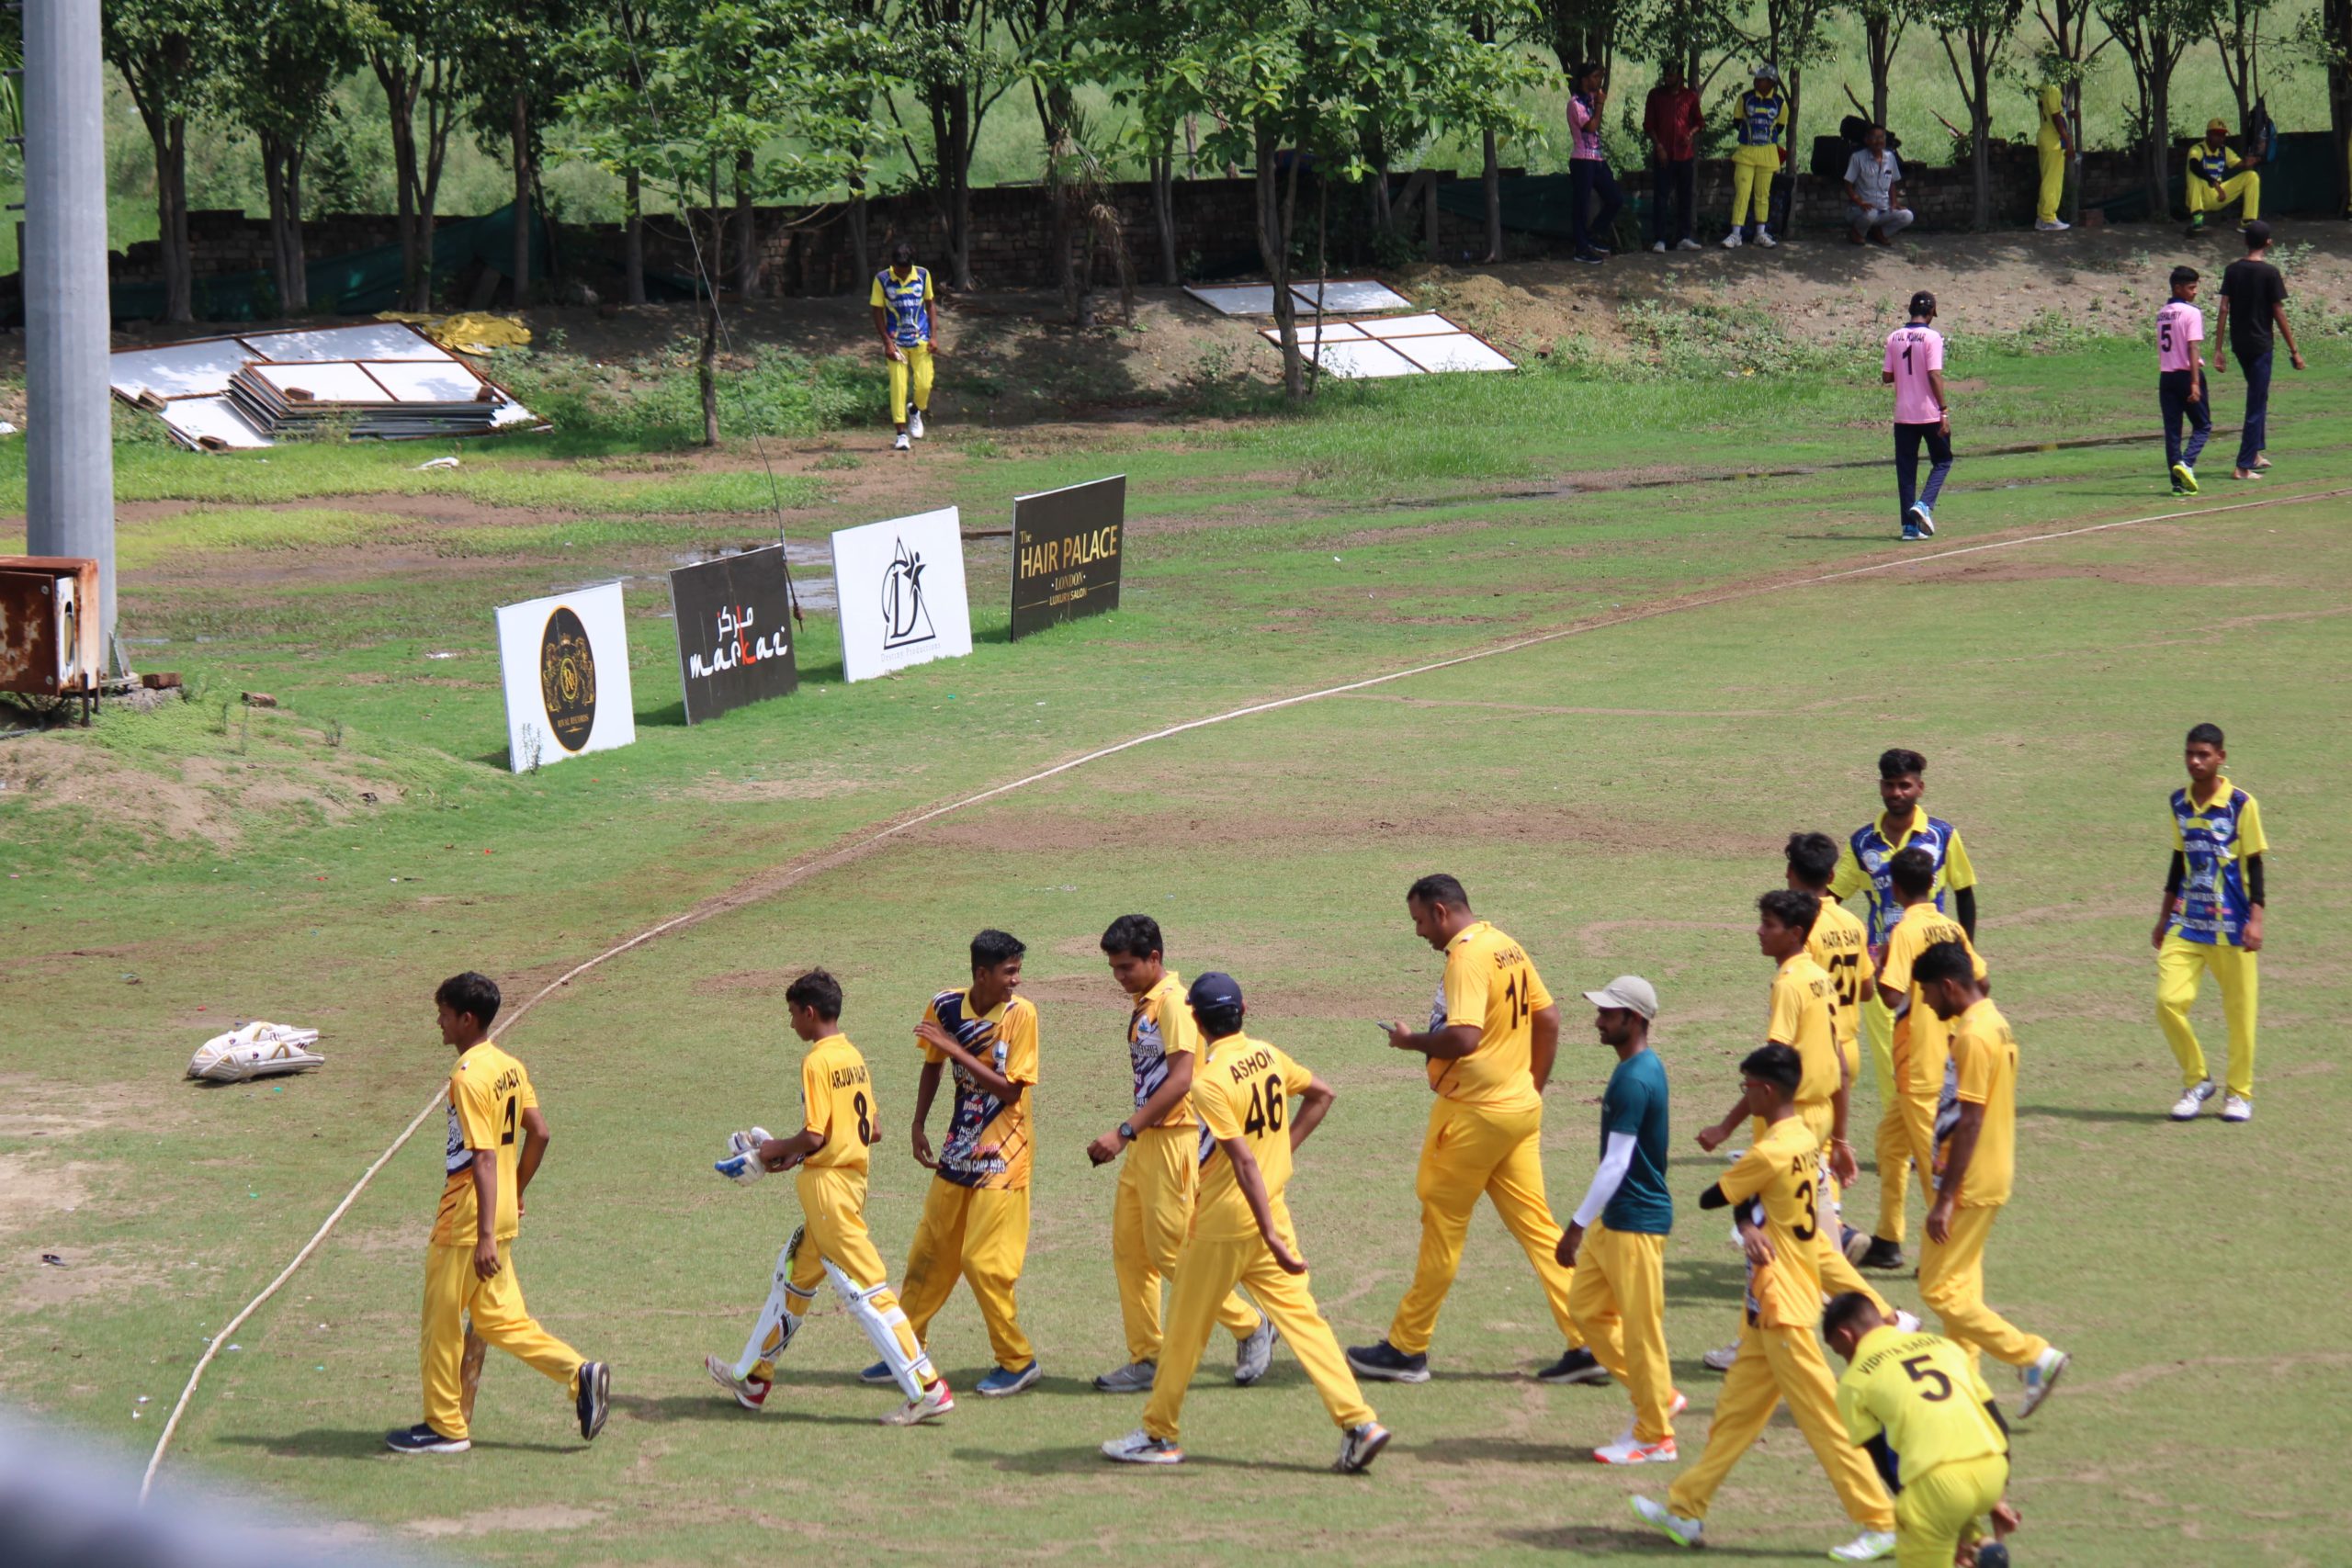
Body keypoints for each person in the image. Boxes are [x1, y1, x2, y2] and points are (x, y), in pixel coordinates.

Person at [1101, 973, 1392, 1472]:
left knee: (1185, 1331)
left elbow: (1243, 1163)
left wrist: (1271, 1230)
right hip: (1270, 1209)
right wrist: (1284, 1154)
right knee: (1306, 1323)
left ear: (1195, 1018)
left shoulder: (1208, 1083)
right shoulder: (1269, 1055)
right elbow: (1322, 1094)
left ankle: (1158, 1434)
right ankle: (1360, 1422)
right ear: (1244, 1010)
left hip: (1226, 1223)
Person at [1629, 1045, 1896, 1562]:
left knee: (1825, 1420)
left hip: (1784, 1308)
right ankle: (1686, 1509)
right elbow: (1758, 1205)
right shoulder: (1804, 1139)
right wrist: (1750, 1223)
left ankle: (1879, 1520)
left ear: (1767, 1090)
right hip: (1762, 1314)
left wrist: (1746, 1219)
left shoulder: (1769, 1150)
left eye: (1746, 1086)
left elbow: (1714, 1197)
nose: (1743, 1094)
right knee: (1733, 1418)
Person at [1349, 874, 1596, 1386]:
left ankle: (1407, 1349)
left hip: (1472, 1117)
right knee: (1538, 1227)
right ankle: (1590, 1337)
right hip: (1517, 1111)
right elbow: (1548, 1018)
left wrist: (1409, 1041)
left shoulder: (1466, 957)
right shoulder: (1505, 943)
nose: (1419, 933)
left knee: (1441, 1231)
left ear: (1441, 911)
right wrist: (1532, 1087)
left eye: (1419, 920)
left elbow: (1462, 1038)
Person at [704, 969, 955, 1427]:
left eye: (792, 1015)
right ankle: (753, 1378)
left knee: (867, 1290)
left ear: (810, 1012)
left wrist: (770, 1150)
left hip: (828, 1193)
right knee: (793, 1276)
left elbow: (815, 1134)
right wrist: (789, 1155)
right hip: (849, 1183)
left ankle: (928, 1388)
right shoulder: (853, 1056)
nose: (791, 1024)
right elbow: (872, 1130)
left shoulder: (817, 1061)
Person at [390, 972, 608, 1454]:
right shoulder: (509, 1065)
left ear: (468, 1019)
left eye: (444, 1015)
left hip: (467, 1221)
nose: (439, 1023)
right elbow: (541, 1132)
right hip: (498, 1209)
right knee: (500, 1321)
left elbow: (482, 1157)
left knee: (441, 1323)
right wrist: (515, 1192)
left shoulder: (467, 1077)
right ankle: (579, 1373)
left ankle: (445, 1427)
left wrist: (485, 1232)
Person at [1694, 892, 1897, 1374]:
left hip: (1792, 1120)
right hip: (1821, 1116)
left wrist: (1726, 1126)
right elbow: (1839, 1065)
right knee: (1820, 1246)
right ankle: (1886, 1317)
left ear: (1796, 933)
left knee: (1767, 1235)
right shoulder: (1819, 977)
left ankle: (1755, 1341)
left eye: (1769, 924)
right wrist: (1842, 1137)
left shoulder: (1789, 984)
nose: (1760, 931)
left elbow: (1772, 1069)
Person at [1087, 915, 1274, 1393]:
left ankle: (1251, 1325)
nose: (1119, 976)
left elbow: (1182, 1079)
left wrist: (1124, 1131)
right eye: (1113, 967)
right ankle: (1148, 1356)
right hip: (1149, 1142)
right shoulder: (1145, 1003)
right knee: (1131, 1253)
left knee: (1171, 1252)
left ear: (1155, 958)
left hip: (1173, 1138)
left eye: (1126, 966)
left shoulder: (1173, 1004)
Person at [1912, 942, 2069, 1415]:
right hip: (1992, 1171)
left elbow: (1970, 1120)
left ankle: (2034, 1355)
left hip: (1972, 1179)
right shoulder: (1992, 1019)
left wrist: (1945, 1196)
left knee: (1936, 1288)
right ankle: (1969, 1385)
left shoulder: (1973, 1036)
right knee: (1962, 1284)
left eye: (1926, 992)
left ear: (1948, 986)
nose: (1924, 1003)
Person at [883, 929, 1043, 1396]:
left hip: (1004, 1157)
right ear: (981, 973)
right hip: (959, 1148)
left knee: (983, 1261)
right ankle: (907, 1351)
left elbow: (1010, 1089)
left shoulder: (1021, 1015)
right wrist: (917, 1123)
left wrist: (955, 1049)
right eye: (1008, 972)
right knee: (929, 1251)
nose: (1016, 980)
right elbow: (932, 1064)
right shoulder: (945, 1006)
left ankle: (1017, 1360)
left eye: (1017, 970)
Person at [1556, 976, 1684, 1464]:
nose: (1598, 1020)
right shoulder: (1640, 1067)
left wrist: (1576, 1224)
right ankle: (1661, 1395)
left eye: (1608, 1014)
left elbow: (1616, 1163)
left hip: (1636, 1222)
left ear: (1633, 1020)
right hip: (1620, 1218)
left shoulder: (1634, 1079)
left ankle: (1656, 1435)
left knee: (1641, 1331)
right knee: (1587, 1310)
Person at [1856, 848, 1986, 1272]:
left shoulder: (1904, 931)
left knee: (1931, 1161)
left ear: (1894, 887)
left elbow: (1891, 995)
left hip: (1919, 1063)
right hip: (1945, 1056)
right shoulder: (1950, 927)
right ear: (1934, 883)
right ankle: (1889, 1238)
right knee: (1890, 1146)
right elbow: (1981, 980)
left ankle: (1943, 1251)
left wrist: (1878, 967)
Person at [1832, 748, 1979, 1121]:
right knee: (1890, 1059)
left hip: (1938, 966)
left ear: (1920, 788)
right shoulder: (1863, 843)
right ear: (1880, 786)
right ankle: (1903, 1139)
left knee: (1943, 1053)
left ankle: (1942, 1132)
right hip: (1885, 971)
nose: (1896, 793)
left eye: (1904, 785)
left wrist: (1965, 954)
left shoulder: (1942, 836)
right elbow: (1832, 896)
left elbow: (1964, 892)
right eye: (1889, 785)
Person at [1826, 1294, 2022, 1568]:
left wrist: (1928, 1523)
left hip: (1938, 1486)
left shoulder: (1854, 1381)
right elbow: (1998, 1423)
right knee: (1957, 1527)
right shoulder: (1945, 1346)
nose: (1845, 1360)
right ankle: (1979, 1544)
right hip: (1992, 1470)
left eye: (1840, 1353)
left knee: (1934, 1530)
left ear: (1846, 1336)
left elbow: (1885, 1463)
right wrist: (1999, 1496)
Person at [2155, 723, 2267, 1122]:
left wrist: (2256, 919)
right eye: (2189, 754)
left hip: (2233, 928)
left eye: (2203, 754)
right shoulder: (2178, 803)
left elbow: (2254, 862)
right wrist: (2163, 915)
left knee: (2240, 1015)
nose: (2195, 761)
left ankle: (2239, 1094)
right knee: (2168, 1002)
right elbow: (2176, 861)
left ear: (2221, 756)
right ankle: (2198, 1080)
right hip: (2188, 923)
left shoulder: (2241, 803)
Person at [1789, 832, 1875, 1260]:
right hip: (1850, 1046)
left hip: (1817, 1051)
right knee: (1826, 1144)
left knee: (1800, 1148)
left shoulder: (1801, 928)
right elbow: (1866, 991)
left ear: (1790, 873)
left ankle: (1831, 1233)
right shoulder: (1852, 923)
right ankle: (1832, 1223)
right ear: (1830, 875)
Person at [2213, 220, 2306, 481]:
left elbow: (2223, 309)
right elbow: (2278, 312)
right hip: (2261, 345)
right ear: (2268, 243)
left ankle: (2254, 454)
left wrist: (2218, 349)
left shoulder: (2232, 270)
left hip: (2239, 344)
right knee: (2256, 402)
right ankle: (2242, 466)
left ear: (2245, 241)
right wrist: (2294, 350)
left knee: (2259, 396)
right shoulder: (2269, 273)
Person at [1883, 292, 1951, 540]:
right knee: (1943, 460)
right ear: (1931, 311)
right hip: (1929, 413)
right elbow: (1934, 374)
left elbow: (1886, 376)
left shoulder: (1894, 337)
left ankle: (1909, 528)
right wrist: (1944, 410)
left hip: (1903, 415)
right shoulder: (1932, 337)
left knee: (1906, 469)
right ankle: (1923, 505)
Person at [870, 241, 943, 452]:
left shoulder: (923, 275)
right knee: (898, 388)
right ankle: (901, 435)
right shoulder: (882, 279)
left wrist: (934, 337)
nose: (902, 275)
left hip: (921, 340)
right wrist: (887, 343)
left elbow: (930, 306)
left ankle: (916, 410)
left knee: (924, 385)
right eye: (899, 271)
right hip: (897, 344)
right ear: (893, 265)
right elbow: (876, 311)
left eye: (906, 271)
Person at [2158, 265, 2213, 495]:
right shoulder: (2191, 313)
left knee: (2173, 430)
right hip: (2186, 374)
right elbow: (2193, 346)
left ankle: (2176, 483)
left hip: (2166, 377)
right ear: (2178, 288)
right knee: (2203, 425)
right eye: (2191, 287)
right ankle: (2186, 463)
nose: (2195, 292)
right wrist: (2194, 382)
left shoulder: (2162, 312)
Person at [1722, 64, 1787, 248]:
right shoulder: (1745, 98)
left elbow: (1780, 127)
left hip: (1768, 153)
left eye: (1761, 79)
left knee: (1762, 194)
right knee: (1742, 192)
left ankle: (1760, 233)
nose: (1756, 81)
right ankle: (1735, 234)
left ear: (1771, 82)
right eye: (1756, 78)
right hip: (1746, 152)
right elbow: (1737, 122)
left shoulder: (1780, 103)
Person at [1567, 62, 1623, 265]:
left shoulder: (1591, 98)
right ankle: (1581, 249)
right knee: (1581, 205)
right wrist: (1600, 105)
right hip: (1582, 159)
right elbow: (1591, 127)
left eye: (1599, 77)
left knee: (1615, 198)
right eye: (1593, 77)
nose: (1597, 81)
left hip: (1597, 159)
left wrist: (1598, 100)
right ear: (1583, 80)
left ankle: (1591, 236)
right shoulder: (1576, 103)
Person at [1645, 65, 1703, 253]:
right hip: (1664, 153)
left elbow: (1699, 122)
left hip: (1684, 154)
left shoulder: (1690, 97)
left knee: (1685, 197)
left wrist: (1690, 134)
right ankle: (1660, 238)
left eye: (1671, 74)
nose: (1667, 78)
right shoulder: (1655, 95)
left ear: (1680, 76)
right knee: (1661, 197)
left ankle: (1683, 237)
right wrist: (1658, 146)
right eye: (1666, 75)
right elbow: (1648, 124)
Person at [1843, 127, 1914, 247]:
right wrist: (1860, 202)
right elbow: (1848, 185)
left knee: (1907, 216)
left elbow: (1891, 182)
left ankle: (1880, 233)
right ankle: (1857, 232)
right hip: (1861, 210)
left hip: (1883, 209)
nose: (1878, 141)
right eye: (1874, 138)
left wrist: (1894, 203)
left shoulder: (1890, 157)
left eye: (1881, 137)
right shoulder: (1858, 158)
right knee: (1870, 214)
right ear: (1866, 140)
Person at [2186, 119, 2261, 231]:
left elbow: (2240, 163)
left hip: (2219, 195)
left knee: (2252, 176)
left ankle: (2248, 222)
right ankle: (2198, 218)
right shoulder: (2197, 149)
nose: (2221, 138)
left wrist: (2248, 162)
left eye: (2223, 135)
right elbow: (2194, 165)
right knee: (2194, 174)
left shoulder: (2224, 151)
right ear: (2208, 134)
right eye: (2217, 134)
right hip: (2201, 196)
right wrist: (2213, 182)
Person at [2034, 81, 2073, 231]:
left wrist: (2068, 114)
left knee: (2048, 179)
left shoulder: (2042, 87)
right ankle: (2047, 217)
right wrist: (2068, 141)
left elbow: (2053, 114)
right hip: (2053, 141)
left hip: (2044, 136)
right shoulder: (2053, 89)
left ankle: (2044, 216)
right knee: (2052, 181)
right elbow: (2056, 118)